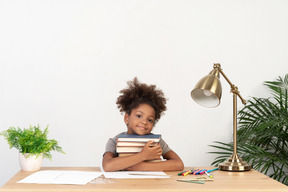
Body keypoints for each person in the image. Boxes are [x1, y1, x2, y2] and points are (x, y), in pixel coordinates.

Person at [102, 77, 184, 172]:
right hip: (124, 185)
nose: (144, 122)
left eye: (150, 120)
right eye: (139, 116)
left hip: (151, 184)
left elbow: (178, 164)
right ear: (126, 118)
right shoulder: (114, 141)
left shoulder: (156, 141)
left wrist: (141, 167)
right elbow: (107, 166)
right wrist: (143, 155)